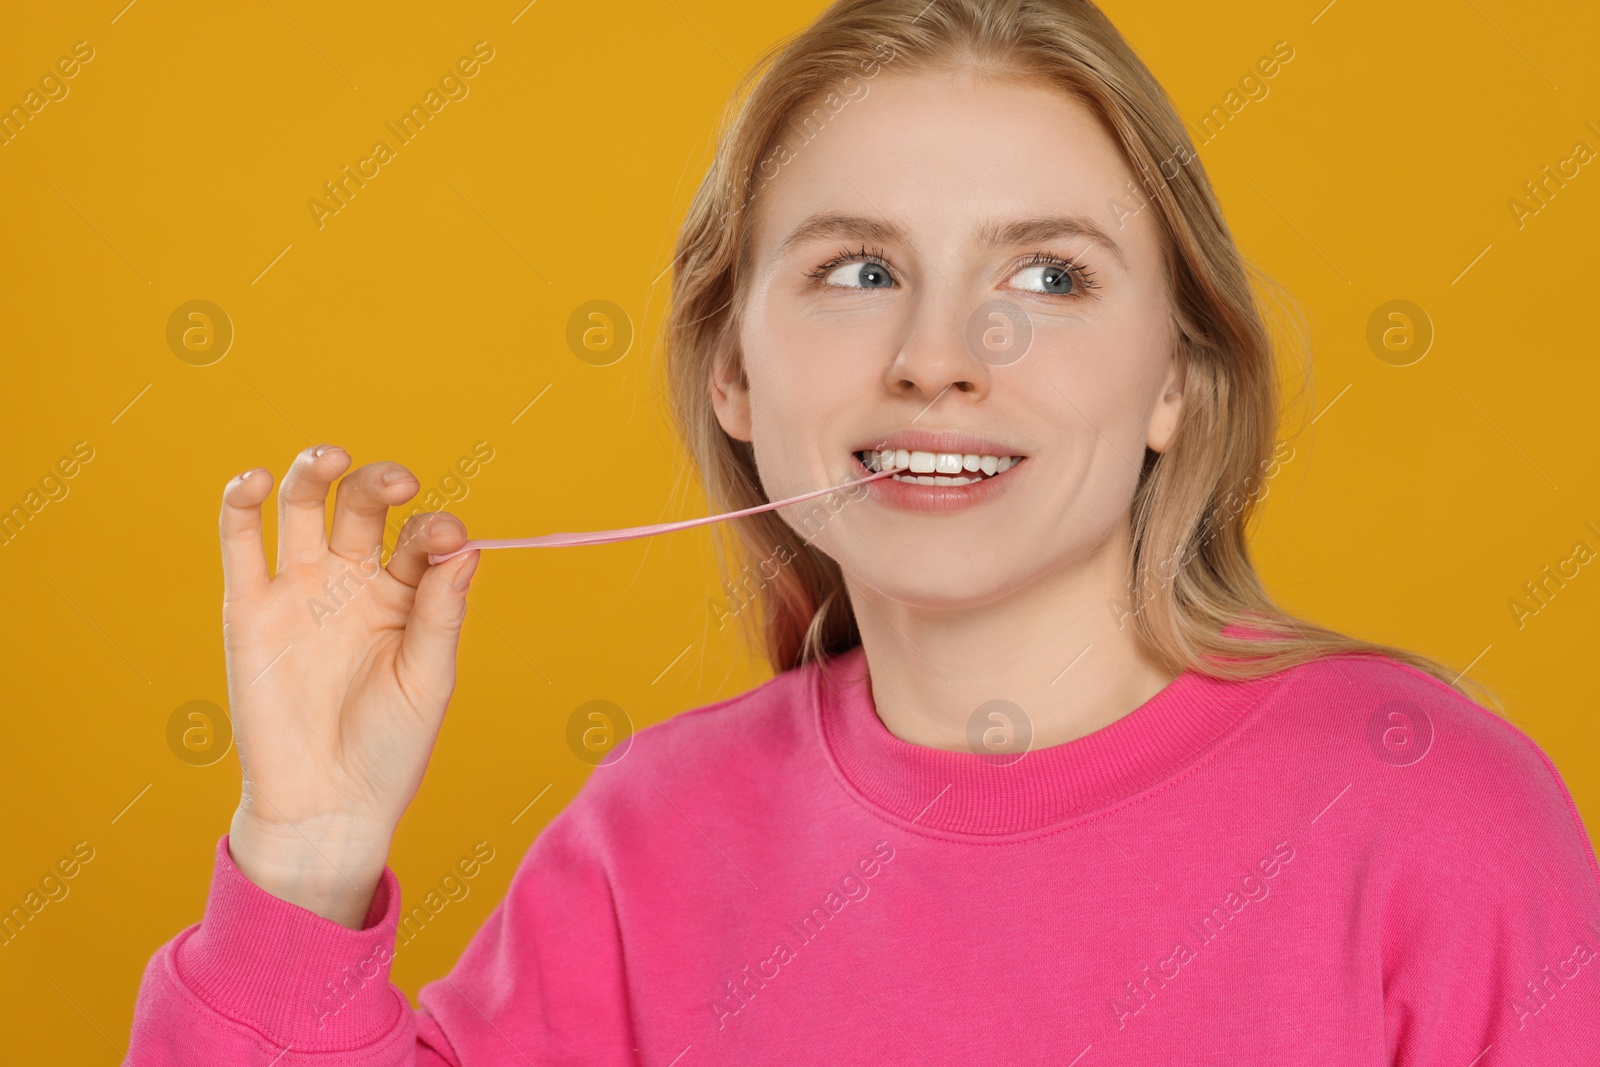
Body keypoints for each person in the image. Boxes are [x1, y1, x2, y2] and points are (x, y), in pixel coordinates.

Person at [127, 0, 1600, 1062]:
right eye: (856, 270)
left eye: (1052, 277)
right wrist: (303, 857)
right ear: (737, 374)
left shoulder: (1432, 814)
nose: (941, 354)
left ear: (1178, 379)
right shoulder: (652, 843)